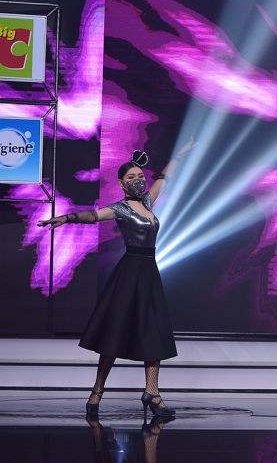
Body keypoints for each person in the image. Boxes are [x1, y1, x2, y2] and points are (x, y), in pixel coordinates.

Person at [38, 139, 194, 418]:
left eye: (140, 176)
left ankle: (152, 392)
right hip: (129, 273)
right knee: (114, 332)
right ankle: (97, 391)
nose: (137, 180)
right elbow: (93, 216)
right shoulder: (121, 208)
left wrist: (179, 155)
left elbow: (163, 177)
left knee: (153, 330)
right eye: (131, 177)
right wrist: (66, 218)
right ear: (122, 184)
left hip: (149, 273)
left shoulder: (148, 202)